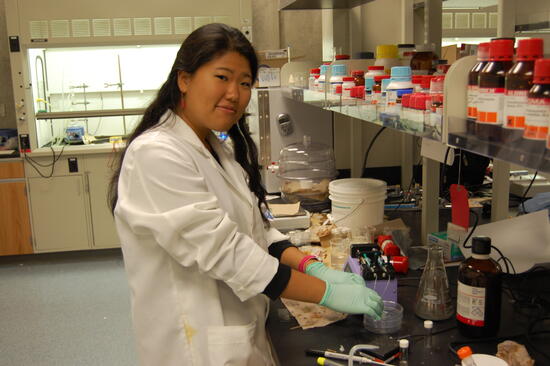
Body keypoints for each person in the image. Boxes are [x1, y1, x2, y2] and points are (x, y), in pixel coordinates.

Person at [109, 23, 383, 366]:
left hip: (237, 326)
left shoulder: (214, 147)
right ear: (185, 79)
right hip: (193, 341)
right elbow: (228, 252)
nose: (234, 93)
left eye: (244, 83)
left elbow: (256, 228)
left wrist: (315, 268)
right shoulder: (156, 154)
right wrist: (325, 294)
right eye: (222, 77)